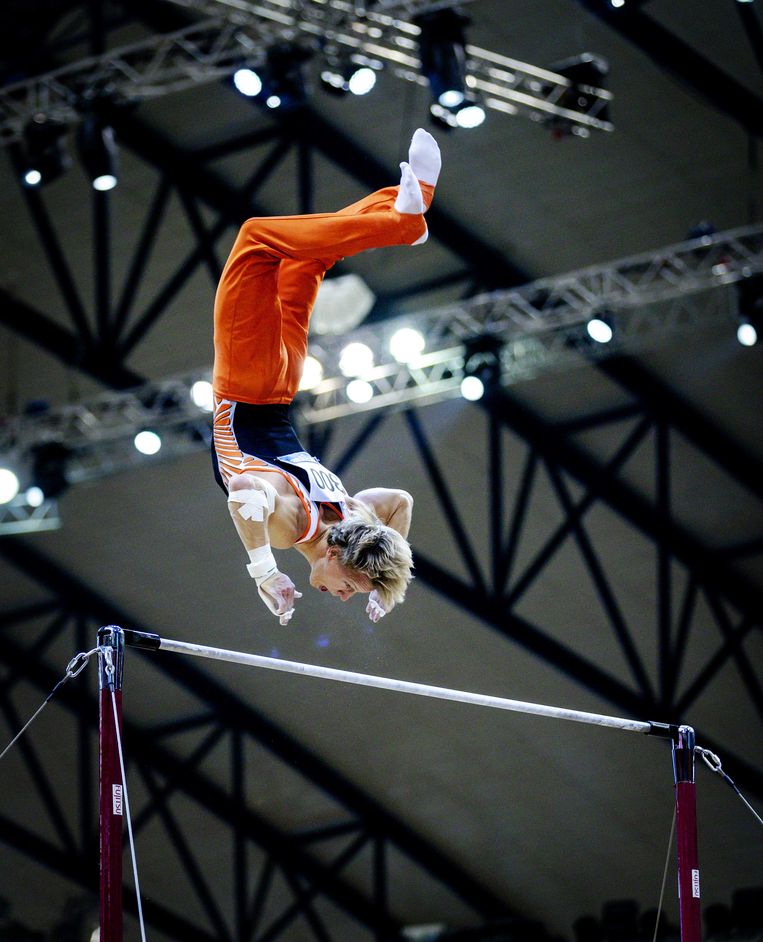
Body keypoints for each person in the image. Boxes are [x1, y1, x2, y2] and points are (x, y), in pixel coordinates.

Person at [211, 129, 441, 625]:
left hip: (282, 383)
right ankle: (402, 223)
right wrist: (263, 571)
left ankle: (410, 203)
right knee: (256, 240)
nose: (342, 597)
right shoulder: (291, 526)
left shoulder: (355, 514)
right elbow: (245, 491)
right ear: (336, 558)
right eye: (352, 590)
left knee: (309, 259)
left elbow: (400, 503)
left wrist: (384, 584)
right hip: (249, 384)